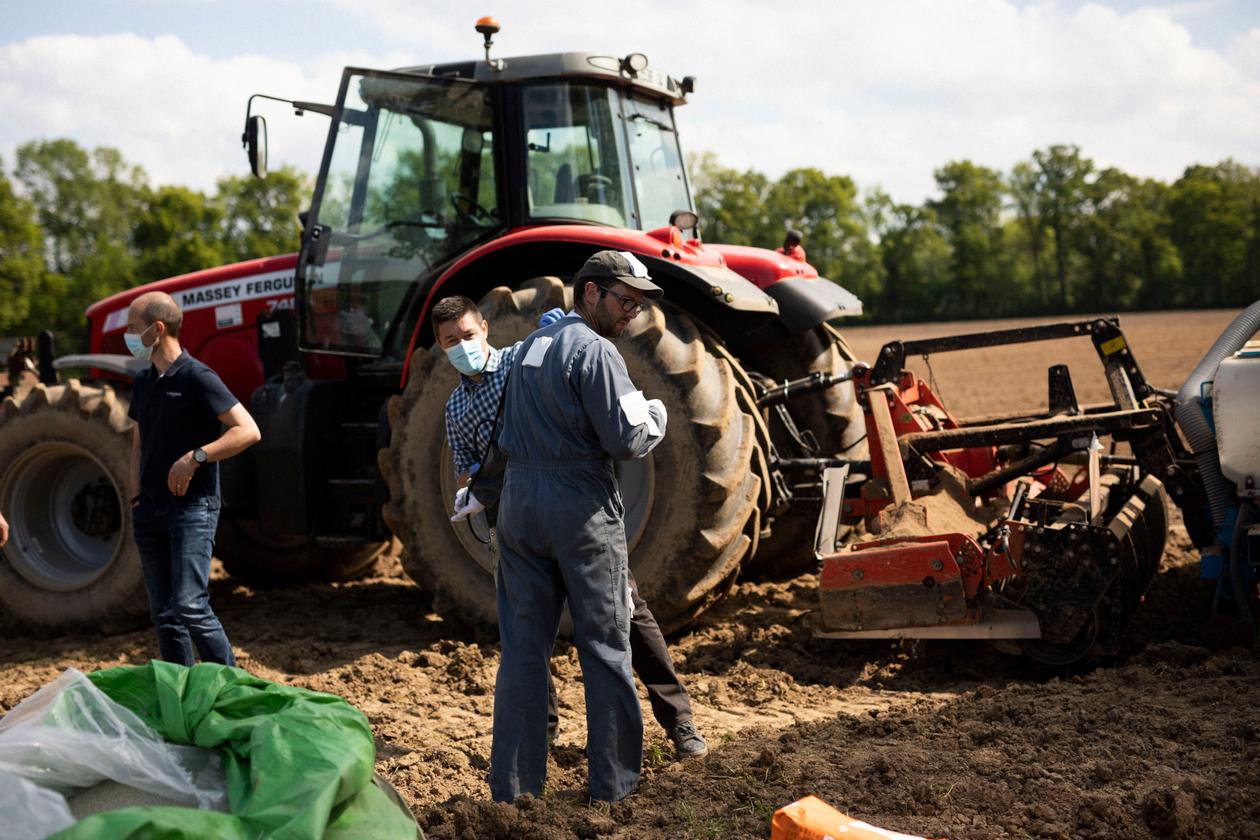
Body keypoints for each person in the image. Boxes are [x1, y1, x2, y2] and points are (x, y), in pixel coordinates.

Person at [432, 294, 707, 761]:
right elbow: (465, 471)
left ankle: (678, 720)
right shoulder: (456, 409)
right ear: (441, 347)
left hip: (576, 513)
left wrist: (559, 332)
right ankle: (543, 737)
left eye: (468, 334)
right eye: (450, 341)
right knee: (525, 635)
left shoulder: (523, 359)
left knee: (626, 615)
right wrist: (474, 486)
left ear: (485, 328)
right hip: (515, 526)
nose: (463, 345)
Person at [479, 250, 670, 804]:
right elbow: (628, 440)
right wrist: (654, 412)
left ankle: (515, 793)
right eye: (624, 300)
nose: (632, 311)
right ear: (591, 293)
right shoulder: (597, 351)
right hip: (578, 507)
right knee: (606, 646)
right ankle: (611, 790)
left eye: (638, 303)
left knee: (522, 649)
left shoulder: (528, 347)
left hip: (519, 505)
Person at [125, 291, 261, 666]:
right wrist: (136, 500)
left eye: (133, 328)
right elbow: (138, 445)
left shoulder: (198, 376)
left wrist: (197, 457)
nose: (128, 336)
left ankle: (231, 689)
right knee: (165, 617)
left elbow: (248, 430)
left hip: (192, 510)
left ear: (157, 328)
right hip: (150, 512)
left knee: (189, 606)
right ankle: (181, 696)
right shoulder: (144, 382)